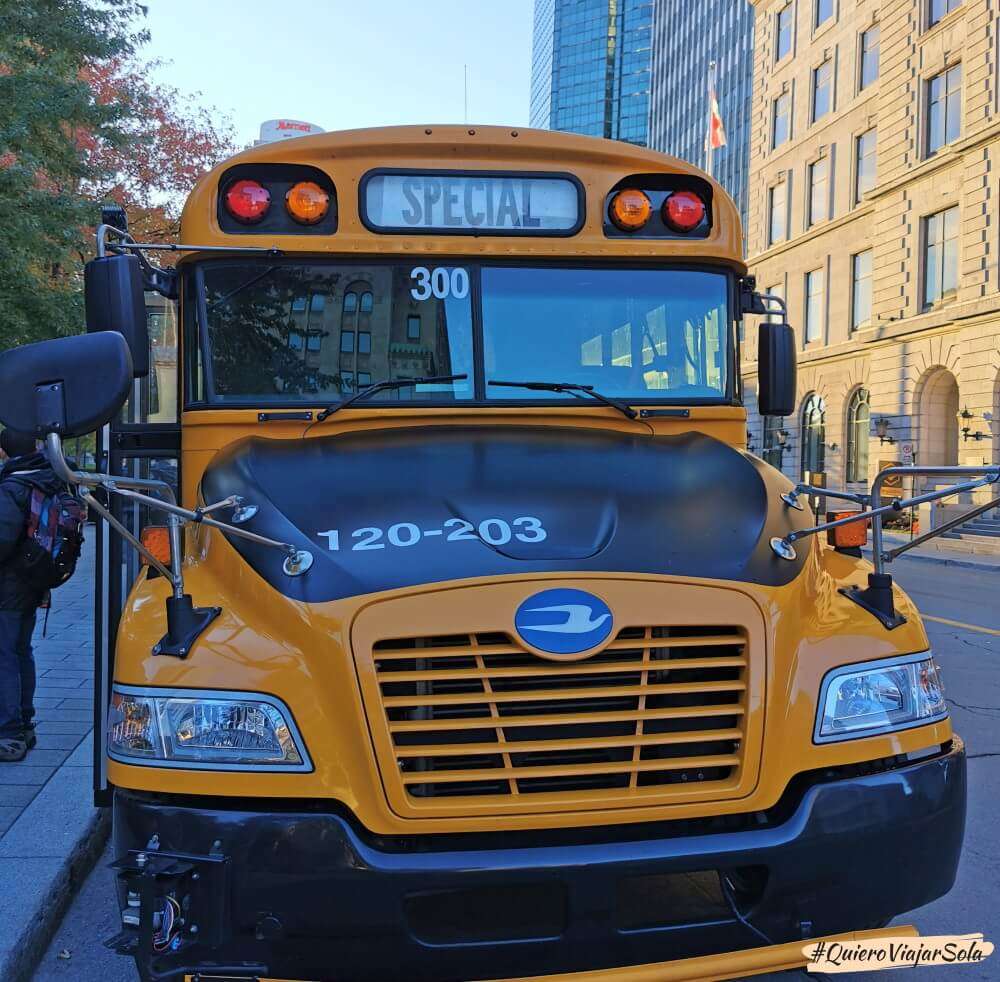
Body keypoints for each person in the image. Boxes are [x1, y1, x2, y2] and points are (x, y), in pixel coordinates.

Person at [0, 428, 67, 761]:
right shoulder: (47, 480)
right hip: (34, 578)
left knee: (5, 655)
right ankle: (25, 724)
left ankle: (9, 734)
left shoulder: (12, 486)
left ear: (3, 451)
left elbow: (2, 539)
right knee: (21, 650)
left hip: (9, 584)